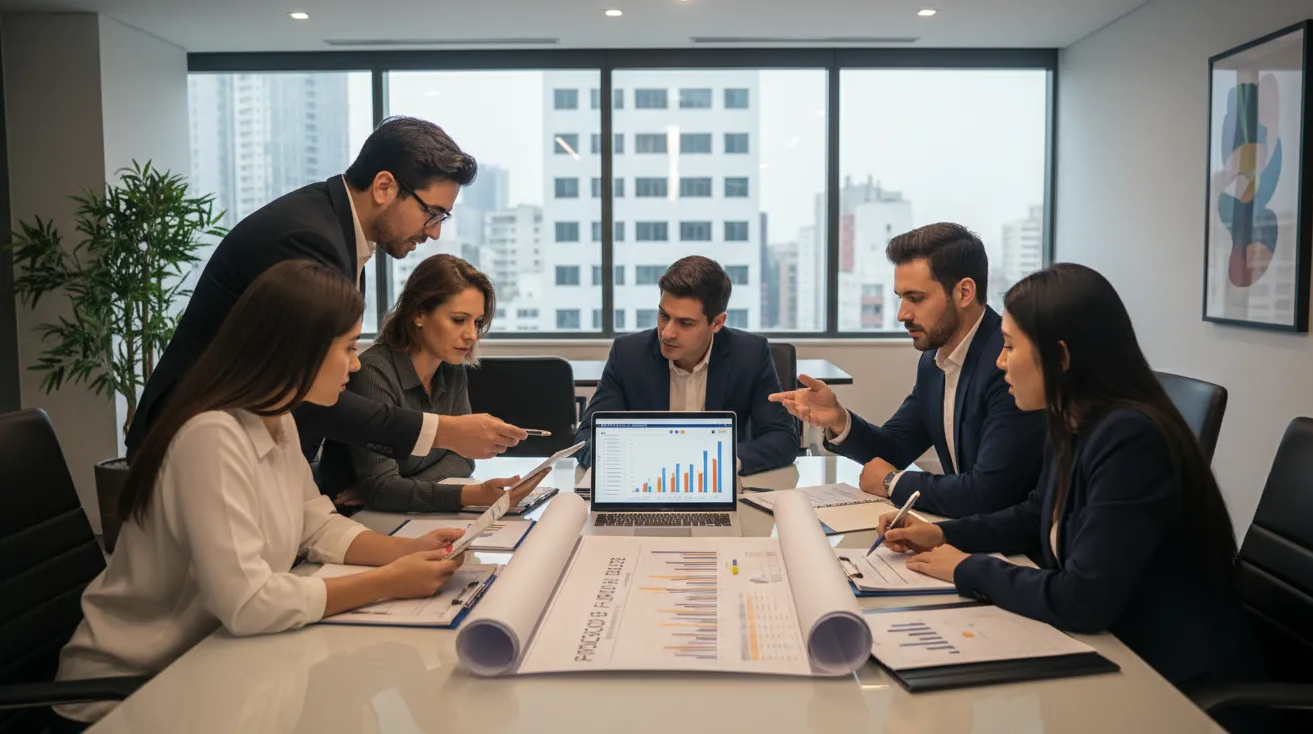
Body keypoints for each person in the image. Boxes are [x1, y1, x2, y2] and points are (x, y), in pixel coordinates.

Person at [54, 261, 471, 728]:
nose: (356, 365)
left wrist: (406, 551)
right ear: (300, 350)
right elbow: (248, 604)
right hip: (132, 693)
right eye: (348, 348)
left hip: (210, 663)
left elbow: (317, 522)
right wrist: (390, 582)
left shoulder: (276, 418)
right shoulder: (210, 436)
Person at [877, 263, 1260, 691]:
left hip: (1169, 679)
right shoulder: (1074, 420)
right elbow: (1032, 515)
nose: (1000, 364)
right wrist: (943, 535)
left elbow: (1083, 599)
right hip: (1115, 648)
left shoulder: (1130, 438)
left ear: (1060, 357)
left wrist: (967, 568)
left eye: (1009, 347)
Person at [125, 116, 528, 465]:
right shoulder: (306, 240)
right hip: (199, 445)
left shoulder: (341, 234)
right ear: (385, 186)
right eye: (432, 212)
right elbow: (299, 386)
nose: (436, 231)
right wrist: (444, 432)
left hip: (249, 445)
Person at [770, 222, 1044, 517]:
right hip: (972, 531)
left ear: (964, 293)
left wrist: (891, 482)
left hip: (1016, 547)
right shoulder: (933, 362)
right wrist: (839, 419)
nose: (902, 314)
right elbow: (896, 448)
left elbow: (988, 493)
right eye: (900, 298)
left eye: (916, 298)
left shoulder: (1008, 365)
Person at [318, 254, 547, 513]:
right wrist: (473, 494)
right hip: (358, 519)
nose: (471, 334)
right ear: (419, 314)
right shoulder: (372, 372)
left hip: (405, 512)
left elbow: (462, 458)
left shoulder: (451, 369)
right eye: (459, 320)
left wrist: (402, 488)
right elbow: (382, 491)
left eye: (477, 322)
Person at [574, 256, 797, 475]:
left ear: (717, 323)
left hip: (719, 483)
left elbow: (782, 438)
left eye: (685, 323)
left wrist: (722, 462)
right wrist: (640, 461)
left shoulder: (749, 354)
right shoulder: (628, 354)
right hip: (647, 484)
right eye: (663, 315)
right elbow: (587, 437)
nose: (667, 333)